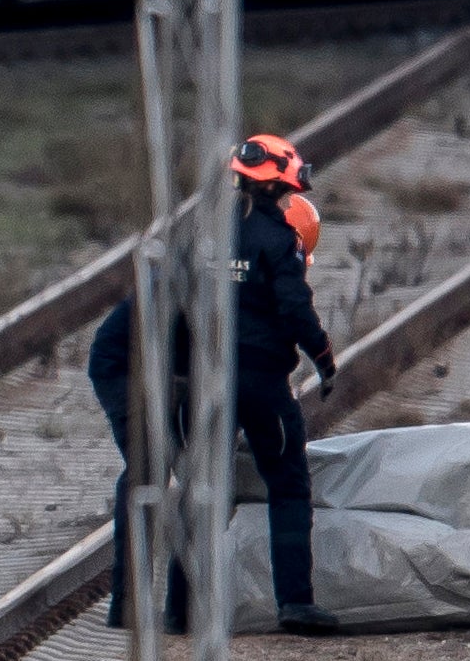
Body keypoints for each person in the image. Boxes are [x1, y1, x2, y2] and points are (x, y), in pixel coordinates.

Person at [92, 133, 340, 634]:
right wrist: (324, 359)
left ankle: (173, 611)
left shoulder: (204, 237)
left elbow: (181, 313)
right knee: (279, 484)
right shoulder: (274, 240)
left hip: (196, 378)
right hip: (172, 371)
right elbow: (293, 309)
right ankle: (292, 602)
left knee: (194, 488)